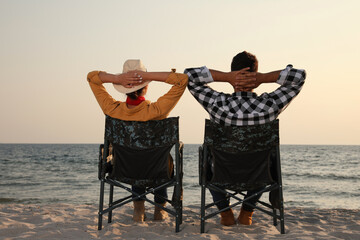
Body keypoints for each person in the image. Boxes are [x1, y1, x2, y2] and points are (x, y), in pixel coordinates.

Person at [184, 51, 306, 226]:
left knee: (205, 157)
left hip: (222, 173)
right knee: (263, 159)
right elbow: (299, 76)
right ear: (256, 72)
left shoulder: (217, 104)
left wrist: (226, 77)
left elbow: (188, 76)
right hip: (258, 175)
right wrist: (263, 78)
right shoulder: (270, 105)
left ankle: (225, 211)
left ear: (232, 72)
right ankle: (247, 212)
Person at [87, 59, 188, 222]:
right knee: (156, 159)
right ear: (146, 86)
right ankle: (159, 209)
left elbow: (92, 77)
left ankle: (138, 210)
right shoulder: (157, 110)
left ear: (124, 88)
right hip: (157, 170)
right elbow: (182, 80)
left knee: (135, 158)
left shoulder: (112, 110)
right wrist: (147, 76)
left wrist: (117, 78)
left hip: (125, 169)